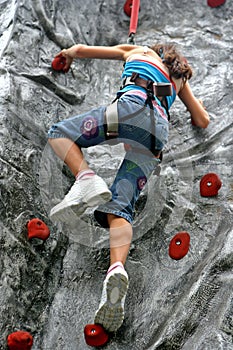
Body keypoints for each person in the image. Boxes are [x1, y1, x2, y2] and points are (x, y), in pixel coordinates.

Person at [47, 42, 210, 332]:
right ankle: (117, 269)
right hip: (157, 133)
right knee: (122, 203)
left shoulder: (140, 50)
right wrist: (178, 88)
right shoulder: (178, 80)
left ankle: (86, 180)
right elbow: (202, 120)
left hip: (127, 109)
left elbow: (83, 49)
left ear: (156, 51)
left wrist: (67, 54)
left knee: (60, 133)